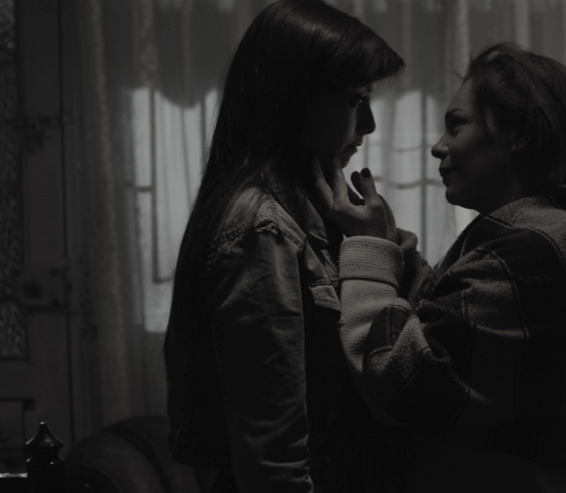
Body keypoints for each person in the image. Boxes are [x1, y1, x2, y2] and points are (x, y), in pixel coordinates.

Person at [314, 42, 566, 492]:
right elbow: (446, 319)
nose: (438, 147)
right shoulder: (545, 234)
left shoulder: (531, 252)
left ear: (518, 134)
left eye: (456, 126)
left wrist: (370, 250)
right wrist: (390, 245)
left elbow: (400, 386)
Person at [162, 1, 405, 492]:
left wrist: (375, 244)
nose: (370, 124)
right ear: (295, 100)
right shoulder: (261, 228)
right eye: (355, 100)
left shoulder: (308, 214)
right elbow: (273, 458)